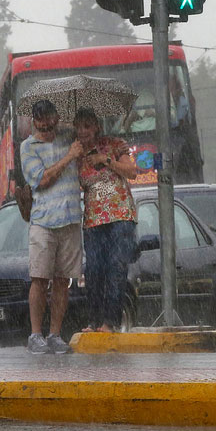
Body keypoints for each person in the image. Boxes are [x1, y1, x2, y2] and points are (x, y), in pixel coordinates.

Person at [19, 99, 84, 354]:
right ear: (34, 122)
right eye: (41, 123)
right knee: (39, 279)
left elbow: (86, 134)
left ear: (56, 118)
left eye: (50, 121)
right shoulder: (28, 147)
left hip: (69, 219)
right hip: (44, 221)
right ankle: (36, 334)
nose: (45, 127)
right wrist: (69, 156)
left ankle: (55, 333)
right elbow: (42, 179)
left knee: (62, 280)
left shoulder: (68, 136)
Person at [74, 107, 139, 333]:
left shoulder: (114, 144)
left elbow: (132, 171)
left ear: (97, 127)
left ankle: (110, 322)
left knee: (115, 267)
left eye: (87, 126)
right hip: (93, 220)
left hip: (120, 216)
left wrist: (106, 160)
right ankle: (94, 321)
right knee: (93, 270)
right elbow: (75, 185)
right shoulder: (76, 154)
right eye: (79, 127)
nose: (83, 132)